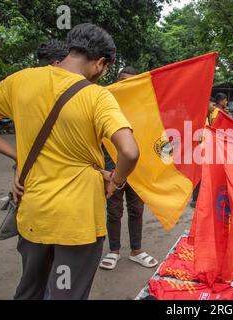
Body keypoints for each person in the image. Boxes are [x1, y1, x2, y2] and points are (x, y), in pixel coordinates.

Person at [0, 23, 140, 300]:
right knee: (64, 293)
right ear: (101, 63)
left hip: (34, 211)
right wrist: (116, 181)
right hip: (78, 220)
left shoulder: (21, 80)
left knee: (29, 291)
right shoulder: (97, 96)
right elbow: (130, 152)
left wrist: (18, 156)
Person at [99, 67, 157, 271]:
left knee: (137, 210)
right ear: (117, 83)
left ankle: (136, 251)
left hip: (137, 169)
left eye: (132, 83)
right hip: (112, 167)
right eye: (123, 81)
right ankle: (113, 251)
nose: (127, 86)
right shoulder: (105, 105)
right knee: (114, 211)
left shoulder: (145, 109)